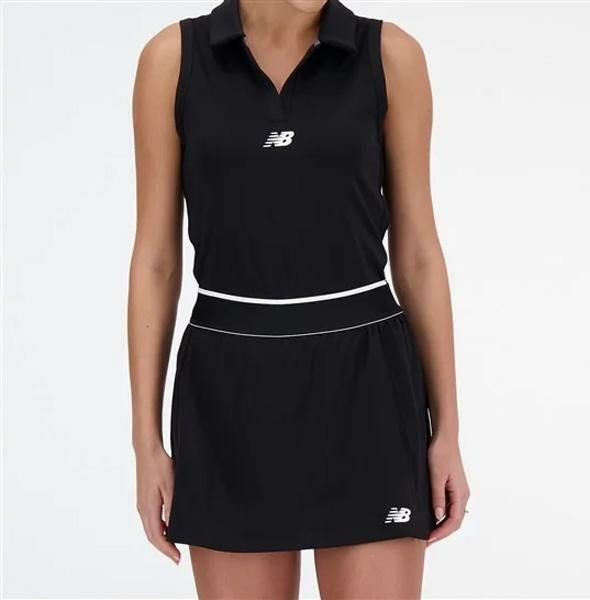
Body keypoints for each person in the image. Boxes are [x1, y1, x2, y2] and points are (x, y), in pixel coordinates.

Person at [128, 0, 470, 597]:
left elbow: (418, 253)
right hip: (227, 395)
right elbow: (156, 261)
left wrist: (447, 430)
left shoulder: (390, 56)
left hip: (367, 393)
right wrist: (145, 442)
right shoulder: (172, 61)